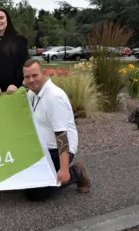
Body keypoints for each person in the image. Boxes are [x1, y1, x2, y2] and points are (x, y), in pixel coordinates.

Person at [22, 59, 92, 201]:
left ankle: (76, 171)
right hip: (42, 150)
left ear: (43, 73)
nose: (31, 80)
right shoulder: (31, 94)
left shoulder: (54, 97)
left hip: (58, 150)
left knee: (35, 194)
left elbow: (62, 136)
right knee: (24, 181)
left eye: (35, 75)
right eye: (27, 77)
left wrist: (64, 169)